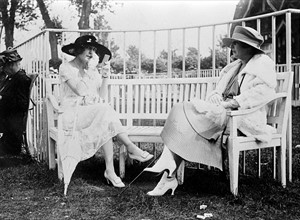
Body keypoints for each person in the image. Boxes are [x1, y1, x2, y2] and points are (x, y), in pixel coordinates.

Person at [144, 26, 278, 196]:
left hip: (242, 119)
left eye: (236, 43)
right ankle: (167, 175)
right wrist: (215, 96)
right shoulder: (235, 67)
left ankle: (168, 172)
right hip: (222, 115)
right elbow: (219, 90)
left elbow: (263, 93)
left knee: (186, 122)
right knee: (182, 113)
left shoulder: (262, 65)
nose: (233, 47)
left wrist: (232, 103)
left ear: (248, 47)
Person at [59, 35, 153, 188]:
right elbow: (79, 91)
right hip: (72, 114)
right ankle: (130, 147)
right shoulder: (66, 68)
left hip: (91, 113)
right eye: (88, 48)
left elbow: (101, 97)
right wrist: (90, 70)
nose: (91, 52)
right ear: (78, 50)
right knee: (104, 115)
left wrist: (104, 77)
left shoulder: (92, 70)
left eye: (93, 49)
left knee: (105, 118)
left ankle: (110, 169)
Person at [0, 49, 32, 156]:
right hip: (7, 119)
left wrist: (3, 99)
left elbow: (22, 104)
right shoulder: (12, 78)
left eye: (4, 67)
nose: (3, 70)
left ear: (11, 64)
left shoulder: (21, 79)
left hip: (11, 122)